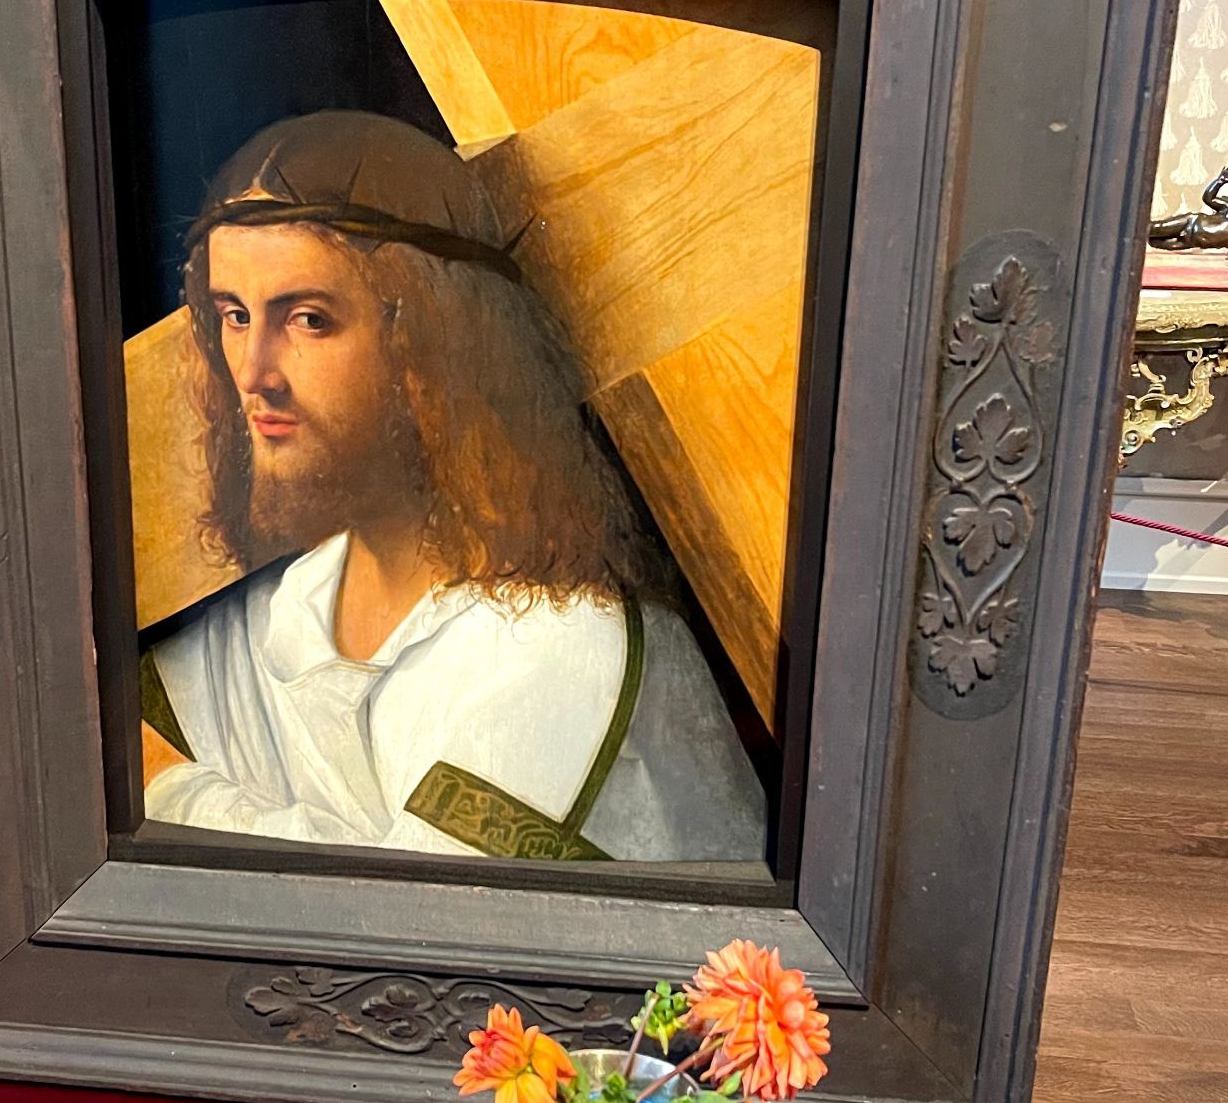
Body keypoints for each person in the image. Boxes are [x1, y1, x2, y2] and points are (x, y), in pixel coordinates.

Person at [140, 111, 765, 862]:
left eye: (308, 319)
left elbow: (412, 911)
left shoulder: (564, 641)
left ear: (429, 342)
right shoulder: (271, 619)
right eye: (235, 316)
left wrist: (172, 789)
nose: (252, 373)